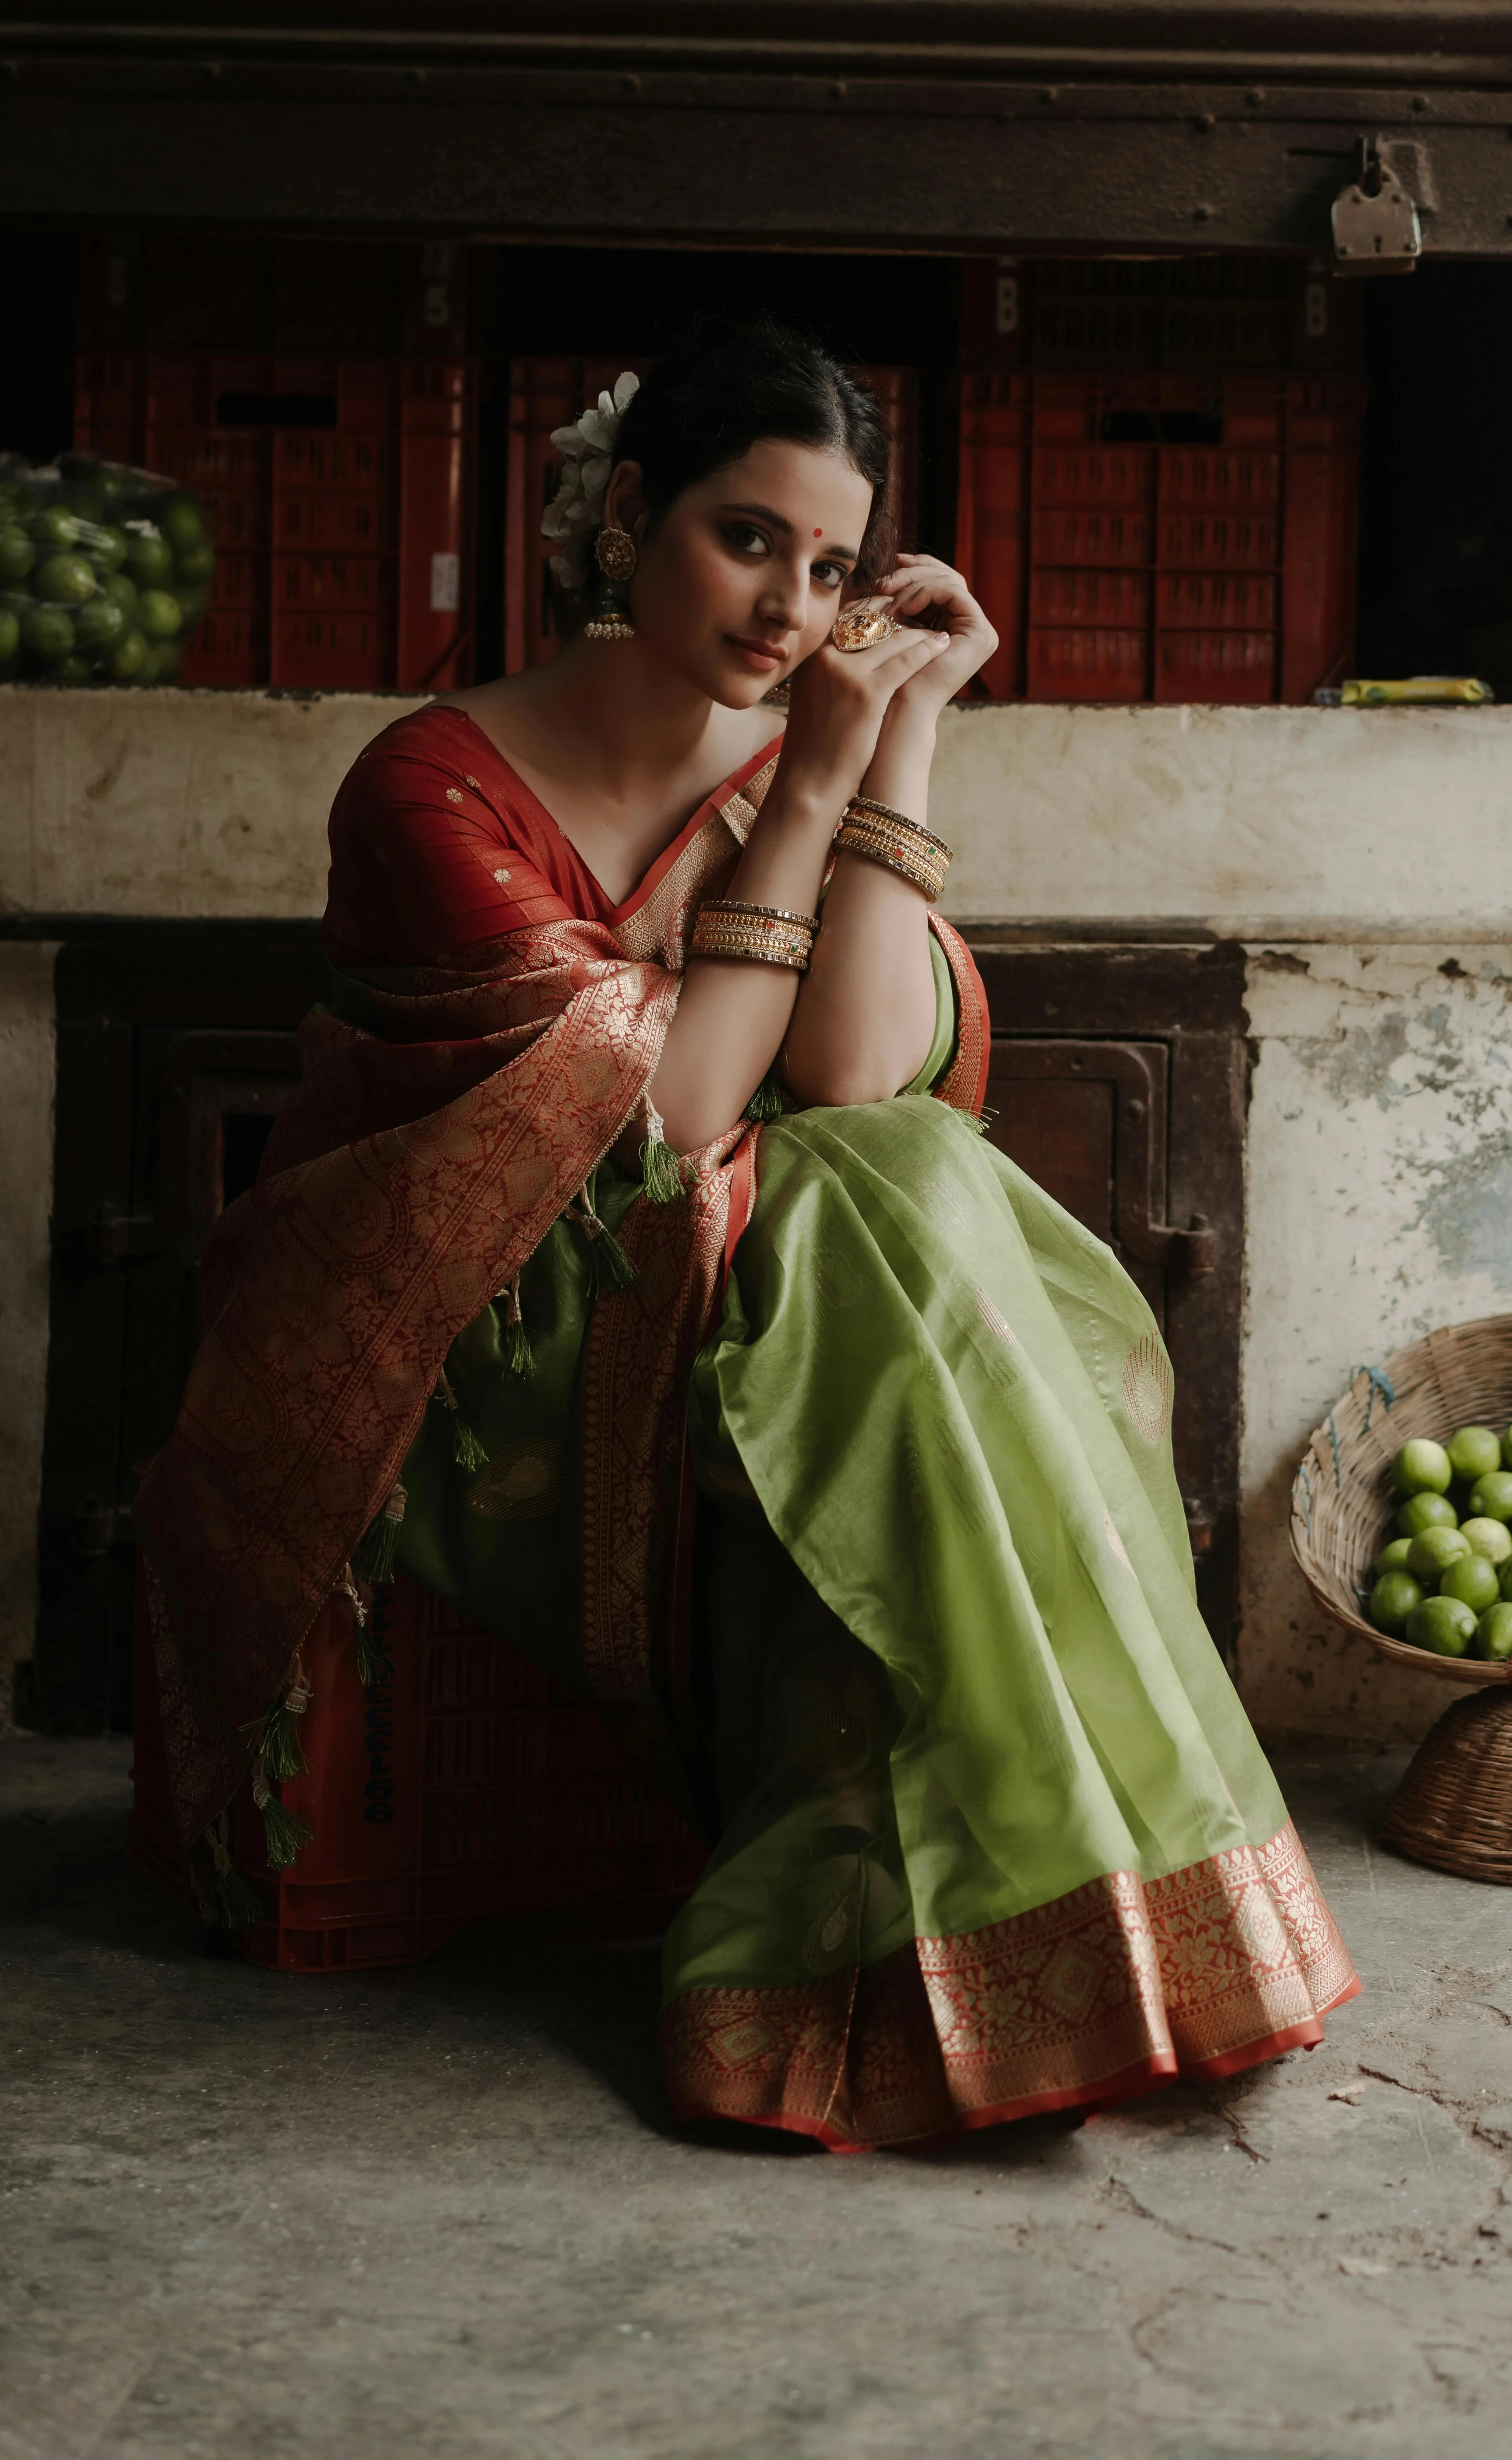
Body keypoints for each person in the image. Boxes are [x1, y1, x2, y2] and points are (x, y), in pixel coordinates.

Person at [136, 316, 1357, 2149]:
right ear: (630, 514)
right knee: (882, 1218)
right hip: (466, 1311)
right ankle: (902, 1926)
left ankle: (1041, 1910)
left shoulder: (811, 735)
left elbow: (861, 1067)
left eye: (835, 566)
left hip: (736, 1261)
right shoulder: (431, 787)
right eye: (746, 536)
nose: (794, 604)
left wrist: (903, 743)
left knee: (913, 1186)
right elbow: (655, 1124)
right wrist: (805, 784)